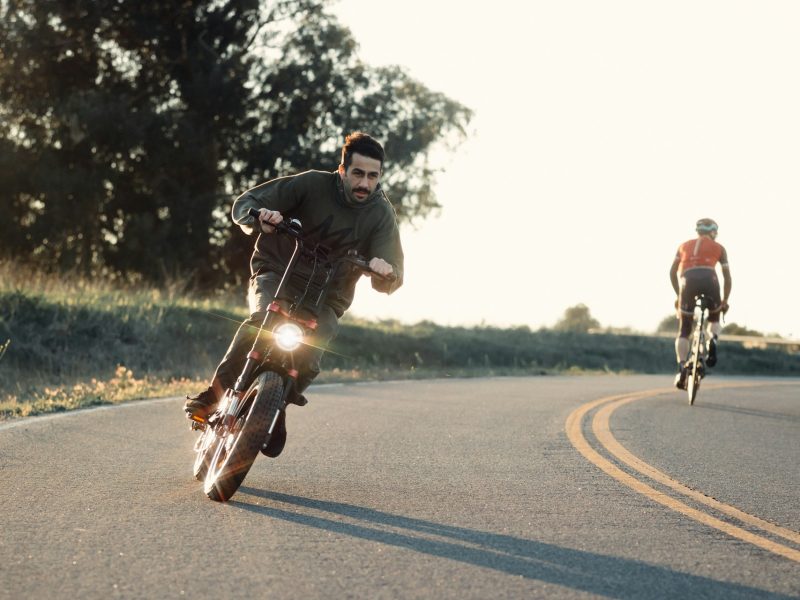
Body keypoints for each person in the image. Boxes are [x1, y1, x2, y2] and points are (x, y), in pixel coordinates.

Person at [185, 132, 404, 456]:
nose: (365, 183)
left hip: (327, 298)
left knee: (313, 350)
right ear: (342, 170)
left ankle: (275, 404)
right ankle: (213, 395)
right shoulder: (311, 185)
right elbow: (246, 204)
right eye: (358, 173)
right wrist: (262, 217)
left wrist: (385, 271)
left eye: (373, 176)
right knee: (262, 322)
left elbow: (393, 274)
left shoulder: (381, 215)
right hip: (278, 272)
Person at [669, 218, 731, 389]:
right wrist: (725, 300)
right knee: (714, 319)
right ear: (712, 232)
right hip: (710, 279)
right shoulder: (719, 248)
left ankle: (682, 366)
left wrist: (678, 295)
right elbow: (727, 277)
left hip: (687, 280)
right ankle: (713, 340)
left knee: (684, 330)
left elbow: (672, 272)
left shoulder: (683, 245)